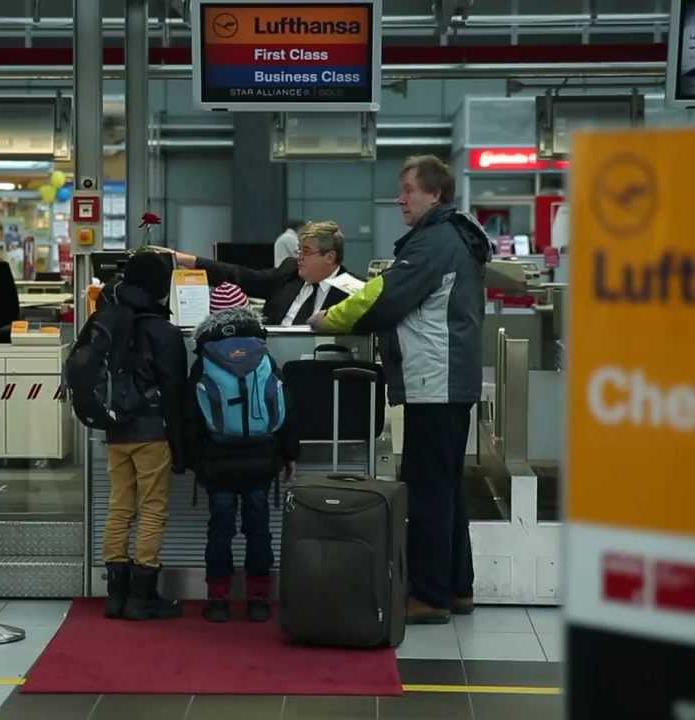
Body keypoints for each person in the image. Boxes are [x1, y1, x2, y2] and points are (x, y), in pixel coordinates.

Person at [310, 155, 491, 625]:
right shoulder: (454, 237)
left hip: (435, 380)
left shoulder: (433, 242)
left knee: (428, 492)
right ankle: (457, 588)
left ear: (434, 193)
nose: (400, 198)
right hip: (449, 379)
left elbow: (386, 299)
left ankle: (429, 596)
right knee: (447, 490)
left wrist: (329, 319)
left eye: (408, 190)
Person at [186, 282, 298, 623]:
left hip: (218, 458)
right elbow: (284, 406)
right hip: (261, 457)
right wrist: (288, 453)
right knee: (258, 528)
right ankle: (258, 599)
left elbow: (190, 417)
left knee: (219, 528)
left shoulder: (203, 360)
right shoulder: (263, 356)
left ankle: (218, 600)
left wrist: (193, 459)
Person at [101, 250, 189, 621]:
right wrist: (183, 447)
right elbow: (175, 393)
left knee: (120, 507)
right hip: (152, 432)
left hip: (115, 429)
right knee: (152, 509)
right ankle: (142, 595)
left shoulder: (107, 320)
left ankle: (115, 595)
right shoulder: (163, 331)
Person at [173, 221, 363, 326]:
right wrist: (189, 261)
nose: (299, 257)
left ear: (330, 257)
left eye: (305, 251)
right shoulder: (289, 272)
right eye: (299, 250)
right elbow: (241, 276)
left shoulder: (354, 291)